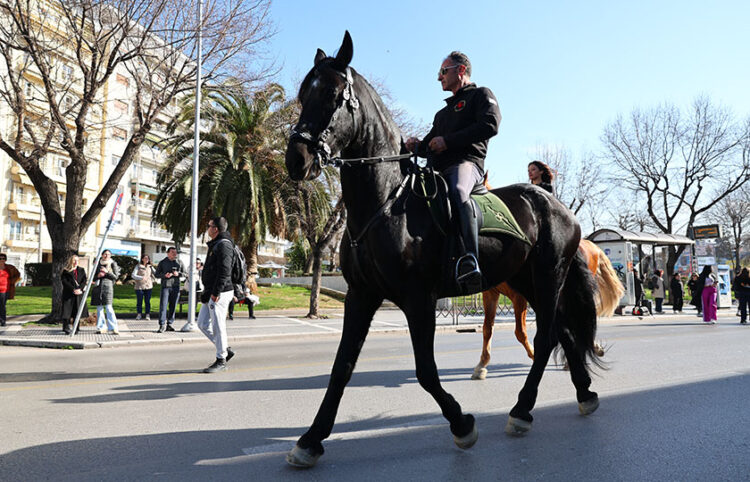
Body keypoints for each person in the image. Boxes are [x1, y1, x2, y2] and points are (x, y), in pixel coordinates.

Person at [405, 51, 501, 291]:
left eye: (443, 71)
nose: (439, 78)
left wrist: (448, 141)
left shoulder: (481, 95)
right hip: (438, 170)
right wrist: (417, 146)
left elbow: (491, 125)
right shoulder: (442, 113)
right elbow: (429, 145)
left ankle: (471, 259)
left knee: (458, 192)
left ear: (460, 71)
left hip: (467, 164)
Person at [198, 217, 236, 373]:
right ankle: (225, 349)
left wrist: (216, 292)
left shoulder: (224, 245)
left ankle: (221, 360)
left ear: (216, 229)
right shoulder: (216, 244)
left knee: (218, 326)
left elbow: (225, 271)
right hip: (211, 291)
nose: (207, 228)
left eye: (209, 226)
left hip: (220, 292)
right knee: (202, 324)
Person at [154, 247, 186, 333]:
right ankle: (162, 324)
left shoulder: (179, 262)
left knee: (173, 306)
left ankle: (170, 324)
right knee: (163, 306)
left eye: (175, 253)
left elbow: (185, 273)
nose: (175, 254)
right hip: (166, 287)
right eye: (172, 252)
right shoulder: (162, 262)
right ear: (168, 253)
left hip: (176, 287)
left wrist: (178, 274)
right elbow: (156, 274)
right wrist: (165, 275)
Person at [91, 250, 120, 334]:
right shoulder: (97, 263)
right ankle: (101, 327)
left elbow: (116, 277)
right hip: (98, 287)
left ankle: (113, 327)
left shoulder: (112, 263)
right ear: (102, 255)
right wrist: (98, 276)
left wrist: (107, 272)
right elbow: (93, 277)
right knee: (99, 308)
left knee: (108, 308)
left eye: (108, 254)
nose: (106, 256)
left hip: (108, 287)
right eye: (105, 254)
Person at [61, 254, 88, 334]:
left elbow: (84, 281)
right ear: (71, 261)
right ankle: (66, 327)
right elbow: (64, 282)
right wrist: (73, 289)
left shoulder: (81, 270)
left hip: (79, 294)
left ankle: (76, 327)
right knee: (67, 311)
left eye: (77, 260)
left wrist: (80, 289)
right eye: (74, 260)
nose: (76, 262)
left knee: (77, 311)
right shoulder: (66, 271)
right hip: (69, 294)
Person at [131, 254, 156, 321]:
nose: (146, 259)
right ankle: (139, 314)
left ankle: (147, 314)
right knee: (139, 301)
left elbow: (156, 274)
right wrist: (141, 277)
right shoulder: (138, 266)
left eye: (148, 258)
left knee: (147, 301)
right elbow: (133, 275)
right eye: (145, 258)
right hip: (139, 286)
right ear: (142, 259)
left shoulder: (150, 267)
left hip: (148, 286)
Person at [0, 253, 21, 327]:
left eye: (3, 258)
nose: (2, 260)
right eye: (0, 258)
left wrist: (13, 281)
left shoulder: (10, 268)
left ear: (5, 259)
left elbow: (18, 274)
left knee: (2, 305)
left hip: (5, 290)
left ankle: (3, 321)